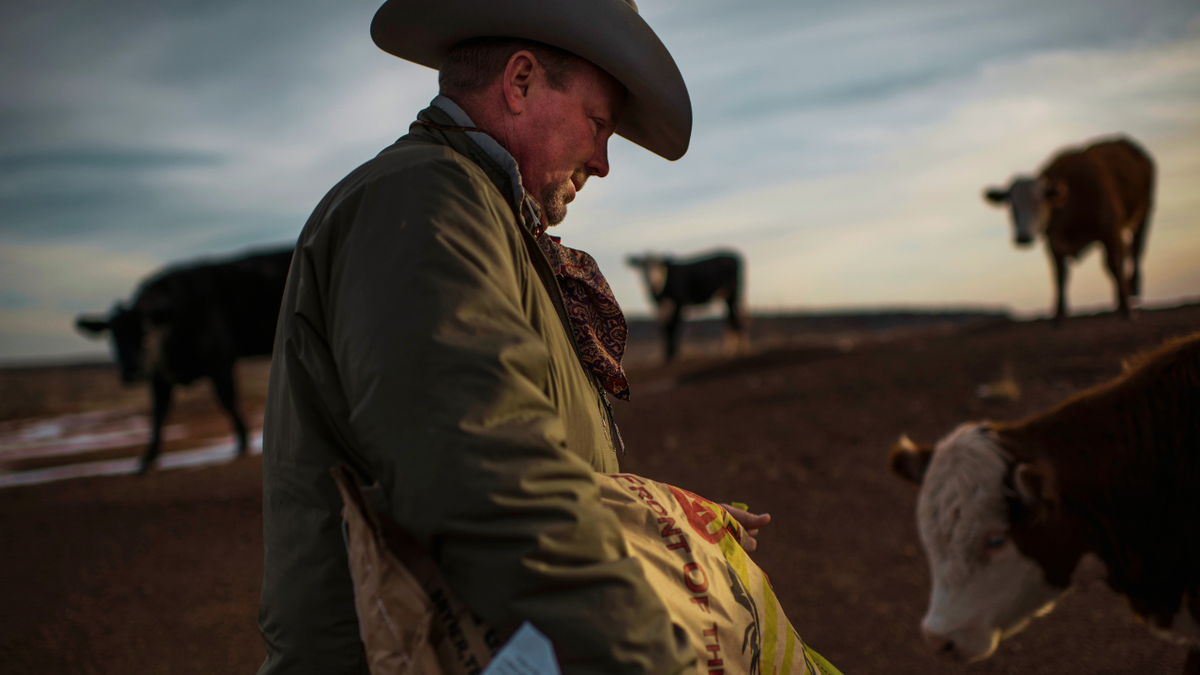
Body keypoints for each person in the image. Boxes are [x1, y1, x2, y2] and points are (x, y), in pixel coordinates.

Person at [258, 1, 768, 673]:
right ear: (521, 82)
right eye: (598, 125)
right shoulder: (424, 203)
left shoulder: (470, 214)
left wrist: (660, 519)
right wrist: (649, 659)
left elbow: (514, 443)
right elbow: (485, 474)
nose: (604, 161)